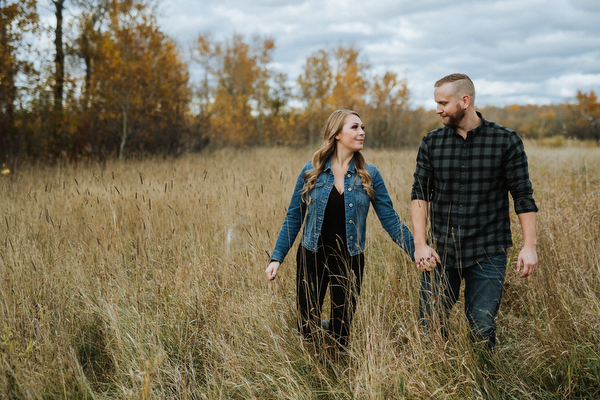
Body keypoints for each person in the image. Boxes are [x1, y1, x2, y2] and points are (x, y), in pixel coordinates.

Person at [266, 109, 420, 348]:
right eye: (355, 127)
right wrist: (277, 258)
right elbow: (294, 216)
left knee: (341, 332)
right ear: (337, 134)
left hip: (349, 259)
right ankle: (314, 366)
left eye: (363, 128)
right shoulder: (312, 170)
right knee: (306, 327)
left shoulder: (370, 174)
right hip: (312, 257)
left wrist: (416, 250)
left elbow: (389, 218)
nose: (362, 132)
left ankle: (337, 370)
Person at [411, 73, 538, 350]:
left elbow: (523, 196)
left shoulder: (506, 141)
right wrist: (420, 244)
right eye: (437, 103)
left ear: (464, 101)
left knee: (482, 327)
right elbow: (420, 195)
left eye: (443, 103)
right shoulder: (431, 143)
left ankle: (484, 381)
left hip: (488, 250)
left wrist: (530, 246)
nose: (437, 109)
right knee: (429, 323)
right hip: (441, 252)